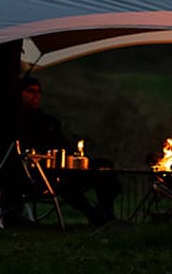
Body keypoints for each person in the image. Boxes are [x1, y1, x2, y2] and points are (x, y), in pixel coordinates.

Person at [16, 76, 122, 226]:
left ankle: (108, 215)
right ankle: (92, 214)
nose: (36, 95)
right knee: (64, 181)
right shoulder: (17, 122)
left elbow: (63, 145)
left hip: (63, 163)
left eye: (39, 92)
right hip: (38, 171)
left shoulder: (49, 121)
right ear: (19, 93)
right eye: (30, 91)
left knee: (105, 167)